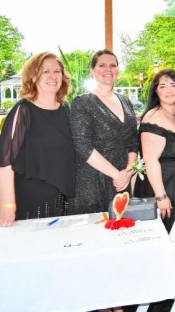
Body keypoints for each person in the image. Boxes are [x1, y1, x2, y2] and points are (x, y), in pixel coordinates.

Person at [0, 52, 75, 226]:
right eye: (45, 71)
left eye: (57, 71)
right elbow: (5, 162)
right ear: (33, 76)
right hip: (30, 199)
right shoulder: (23, 110)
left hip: (62, 198)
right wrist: (7, 204)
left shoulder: (66, 110)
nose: (52, 76)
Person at [134, 69, 175, 244]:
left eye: (173, 85)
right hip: (165, 189)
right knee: (169, 240)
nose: (169, 90)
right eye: (162, 86)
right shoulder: (153, 116)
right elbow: (150, 160)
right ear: (156, 91)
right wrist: (161, 197)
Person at [70, 49, 139, 214]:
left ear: (118, 71)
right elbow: (82, 145)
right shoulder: (82, 102)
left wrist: (128, 172)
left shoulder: (126, 102)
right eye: (102, 65)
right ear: (93, 71)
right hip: (93, 183)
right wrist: (116, 174)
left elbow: (133, 142)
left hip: (121, 183)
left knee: (121, 229)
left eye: (113, 65)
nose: (108, 69)